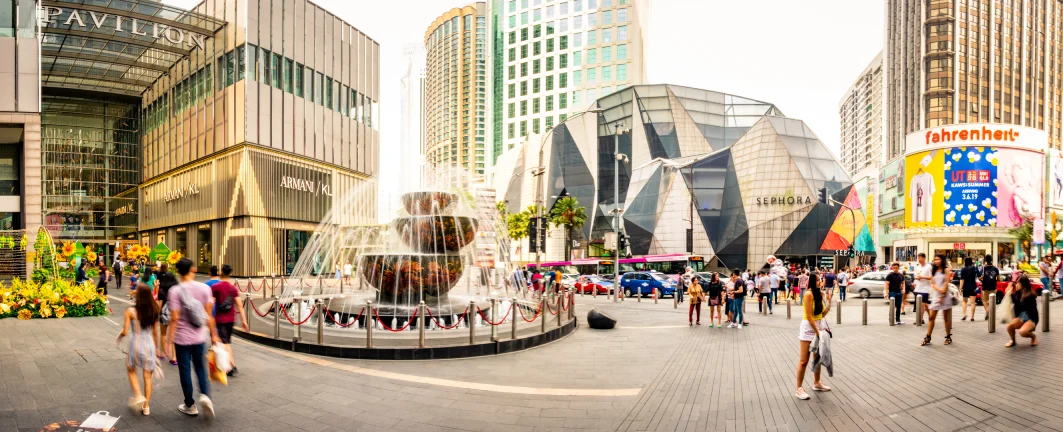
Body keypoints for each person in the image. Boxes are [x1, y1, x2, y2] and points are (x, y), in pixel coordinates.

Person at [167, 258, 220, 419]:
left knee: (184, 371)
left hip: (181, 339)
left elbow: (174, 317)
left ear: (178, 271)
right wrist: (214, 335)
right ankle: (205, 395)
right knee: (200, 368)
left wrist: (169, 340)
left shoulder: (174, 291)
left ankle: (189, 404)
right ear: (193, 269)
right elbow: (209, 316)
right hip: (199, 338)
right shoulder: (204, 288)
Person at [118, 283, 159, 416]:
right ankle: (146, 407)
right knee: (148, 377)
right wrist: (157, 349)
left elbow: (125, 331)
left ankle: (138, 394)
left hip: (136, 343)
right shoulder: (154, 309)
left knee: (131, 369)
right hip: (149, 344)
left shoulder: (130, 311)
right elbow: (155, 332)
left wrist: (119, 337)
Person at [795, 271, 831, 400]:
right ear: (810, 281)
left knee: (817, 358)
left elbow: (821, 315)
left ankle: (817, 383)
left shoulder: (819, 294)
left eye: (819, 279)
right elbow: (809, 316)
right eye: (816, 280)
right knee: (804, 360)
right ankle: (799, 388)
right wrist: (817, 333)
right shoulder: (808, 294)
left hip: (818, 327)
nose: (819, 282)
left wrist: (829, 303)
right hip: (808, 329)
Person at [211, 264, 247, 376]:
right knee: (225, 342)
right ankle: (228, 365)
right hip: (231, 319)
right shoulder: (233, 288)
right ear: (230, 274)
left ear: (221, 272)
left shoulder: (216, 287)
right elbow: (239, 305)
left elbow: (211, 304)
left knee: (225, 342)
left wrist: (209, 317)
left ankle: (231, 366)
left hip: (220, 319)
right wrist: (244, 320)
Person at [922, 254, 954, 346]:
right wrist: (939, 291)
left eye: (938, 259)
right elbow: (933, 283)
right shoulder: (933, 270)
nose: (935, 261)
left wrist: (942, 295)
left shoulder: (947, 270)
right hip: (936, 296)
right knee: (931, 317)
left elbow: (946, 283)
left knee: (946, 318)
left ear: (942, 260)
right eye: (934, 259)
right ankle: (928, 337)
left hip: (945, 296)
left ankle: (948, 337)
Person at [155, 262, 179, 366]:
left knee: (163, 334)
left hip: (164, 315)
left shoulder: (162, 290)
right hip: (174, 314)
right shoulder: (177, 290)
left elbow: (159, 304)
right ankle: (174, 357)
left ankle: (164, 353)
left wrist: (156, 315)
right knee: (173, 335)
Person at [1005, 275, 1039, 348]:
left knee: (1022, 332)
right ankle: (1012, 341)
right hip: (1021, 317)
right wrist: (1009, 292)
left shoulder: (1031, 295)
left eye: (1018, 283)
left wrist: (1011, 294)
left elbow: (1022, 305)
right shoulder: (1018, 293)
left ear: (1024, 284)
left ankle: (1033, 337)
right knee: (1009, 327)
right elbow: (1014, 302)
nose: (1016, 285)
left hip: (1030, 318)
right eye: (1016, 283)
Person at [912, 253, 932, 324]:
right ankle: (931, 316)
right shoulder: (918, 267)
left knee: (923, 304)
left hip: (925, 288)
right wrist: (915, 280)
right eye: (918, 258)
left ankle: (920, 319)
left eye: (920, 258)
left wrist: (922, 277)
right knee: (924, 304)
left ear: (924, 258)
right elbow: (915, 276)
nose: (919, 259)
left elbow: (931, 277)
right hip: (918, 287)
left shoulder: (929, 267)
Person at [980, 255, 1001, 319]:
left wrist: (981, 279)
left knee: (984, 301)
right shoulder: (995, 269)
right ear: (991, 259)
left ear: (985, 260)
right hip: (993, 287)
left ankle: (988, 312)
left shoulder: (983, 268)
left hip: (985, 288)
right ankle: (989, 312)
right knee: (991, 301)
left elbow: (980, 277)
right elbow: (999, 279)